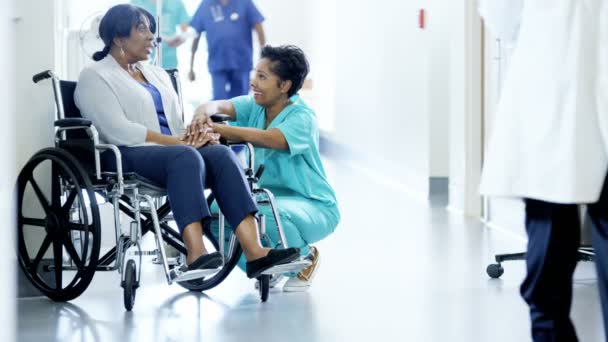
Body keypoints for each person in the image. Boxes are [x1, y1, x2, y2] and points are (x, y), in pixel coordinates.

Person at [73, 4, 299, 279]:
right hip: (124, 154)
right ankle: (196, 253)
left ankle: (255, 252)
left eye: (151, 29)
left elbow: (176, 122)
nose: (151, 36)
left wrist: (199, 137)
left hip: (173, 153)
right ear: (119, 38)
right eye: (141, 29)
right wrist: (178, 143)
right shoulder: (94, 76)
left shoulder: (155, 73)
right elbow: (118, 130)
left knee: (221, 154)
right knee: (186, 157)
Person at [479, 1, 608, 341]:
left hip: (556, 73)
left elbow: (502, 17)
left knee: (550, 234)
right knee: (552, 228)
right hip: (557, 80)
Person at [186, 45, 340, 291]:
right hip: (268, 199)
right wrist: (201, 116)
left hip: (313, 204)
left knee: (262, 213)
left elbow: (271, 139)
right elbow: (218, 105)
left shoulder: (302, 117)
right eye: (255, 74)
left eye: (262, 77)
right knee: (213, 214)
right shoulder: (256, 106)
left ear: (284, 85)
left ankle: (304, 258)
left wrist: (221, 129)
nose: (253, 82)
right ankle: (266, 264)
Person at [188, 0, 266, 100]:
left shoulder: (244, 3)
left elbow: (259, 27)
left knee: (240, 101)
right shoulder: (206, 4)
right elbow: (196, 34)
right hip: (217, 62)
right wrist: (191, 67)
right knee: (219, 101)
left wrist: (263, 61)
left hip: (241, 61)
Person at [129, 0, 191, 69]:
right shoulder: (137, 2)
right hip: (141, 63)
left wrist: (180, 39)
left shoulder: (176, 3)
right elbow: (131, 30)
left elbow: (185, 30)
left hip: (169, 62)